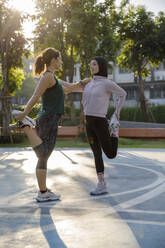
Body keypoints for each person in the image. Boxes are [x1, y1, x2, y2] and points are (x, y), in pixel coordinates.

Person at [12, 47, 90, 202]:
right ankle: (27, 127)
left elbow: (68, 88)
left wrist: (84, 83)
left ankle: (43, 191)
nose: (61, 62)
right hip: (48, 119)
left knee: (43, 156)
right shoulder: (47, 77)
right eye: (60, 59)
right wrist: (24, 114)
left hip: (50, 119)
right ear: (54, 60)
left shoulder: (52, 77)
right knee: (43, 154)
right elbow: (35, 96)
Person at [82, 56, 127, 195]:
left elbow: (123, 94)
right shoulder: (89, 84)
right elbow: (73, 89)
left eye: (94, 64)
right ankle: (101, 184)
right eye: (90, 65)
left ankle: (115, 131)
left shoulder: (107, 83)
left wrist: (117, 112)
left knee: (110, 154)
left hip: (100, 121)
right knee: (96, 153)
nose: (92, 67)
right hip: (88, 122)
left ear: (101, 66)